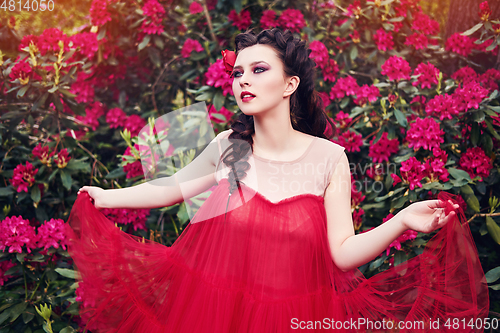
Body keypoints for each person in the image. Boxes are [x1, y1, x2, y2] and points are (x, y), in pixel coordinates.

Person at [68, 28, 489, 333]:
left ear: (290, 84)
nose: (243, 80)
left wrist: (401, 220)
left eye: (258, 69)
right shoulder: (229, 146)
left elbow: (342, 254)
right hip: (216, 317)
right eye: (237, 73)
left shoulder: (329, 158)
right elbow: (175, 186)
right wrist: (106, 197)